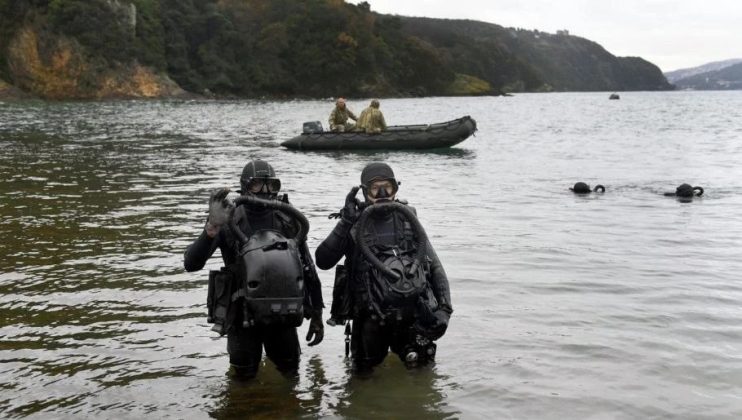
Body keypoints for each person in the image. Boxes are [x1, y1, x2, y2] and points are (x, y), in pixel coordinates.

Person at [184, 159, 324, 379]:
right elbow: (191, 264)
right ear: (244, 187)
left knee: (290, 375)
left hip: (283, 315)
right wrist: (212, 227)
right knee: (242, 379)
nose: (265, 191)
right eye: (257, 184)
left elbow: (308, 268)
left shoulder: (287, 219)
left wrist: (316, 313)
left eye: (272, 185)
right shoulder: (229, 221)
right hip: (242, 317)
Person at [315, 162, 452, 373]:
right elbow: (323, 261)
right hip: (370, 319)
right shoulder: (354, 222)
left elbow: (435, 267)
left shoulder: (408, 218)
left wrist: (444, 310)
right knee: (363, 380)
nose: (381, 193)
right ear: (364, 191)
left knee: (422, 377)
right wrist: (345, 222)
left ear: (395, 189)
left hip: (412, 315)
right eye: (374, 188)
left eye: (387, 187)